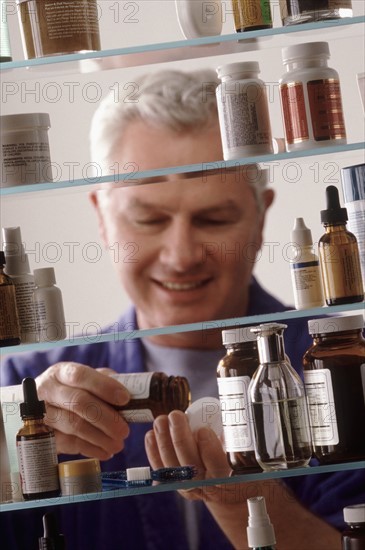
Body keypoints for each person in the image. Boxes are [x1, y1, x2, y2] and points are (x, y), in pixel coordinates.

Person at [1, 69, 363, 550]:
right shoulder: (27, 383)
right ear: (102, 219)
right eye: (148, 219)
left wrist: (243, 499)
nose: (181, 254)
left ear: (260, 217)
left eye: (214, 218)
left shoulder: (343, 363)